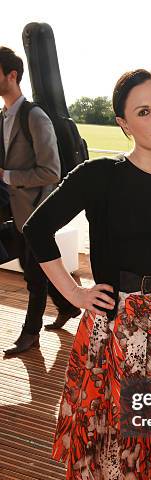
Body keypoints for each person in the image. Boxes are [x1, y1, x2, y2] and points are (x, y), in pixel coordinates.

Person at [23, 69, 151, 480]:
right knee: (116, 416)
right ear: (124, 124)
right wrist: (74, 293)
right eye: (144, 111)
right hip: (118, 322)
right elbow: (36, 230)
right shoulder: (101, 176)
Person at [0, 47, 80, 357]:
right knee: (32, 266)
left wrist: (8, 176)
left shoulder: (34, 116)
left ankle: (29, 335)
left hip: (35, 212)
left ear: (12, 75)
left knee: (34, 275)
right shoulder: (3, 118)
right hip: (14, 212)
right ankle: (69, 307)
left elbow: (51, 170)